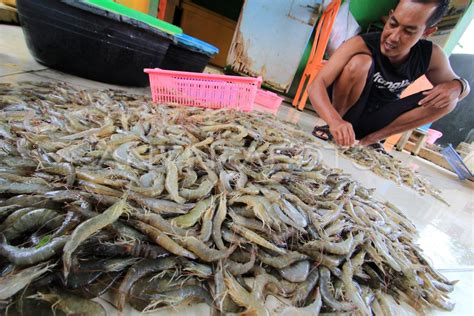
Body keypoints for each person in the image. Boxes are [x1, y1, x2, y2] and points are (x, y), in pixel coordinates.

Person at [308, 0, 470, 148]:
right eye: (393, 24)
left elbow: (462, 90)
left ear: (427, 32)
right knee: (360, 62)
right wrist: (335, 121)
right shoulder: (360, 44)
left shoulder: (431, 55)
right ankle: (332, 129)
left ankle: (372, 140)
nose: (393, 37)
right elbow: (316, 85)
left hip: (380, 120)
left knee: (450, 100)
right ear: (390, 16)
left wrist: (458, 86)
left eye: (408, 31)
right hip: (344, 115)